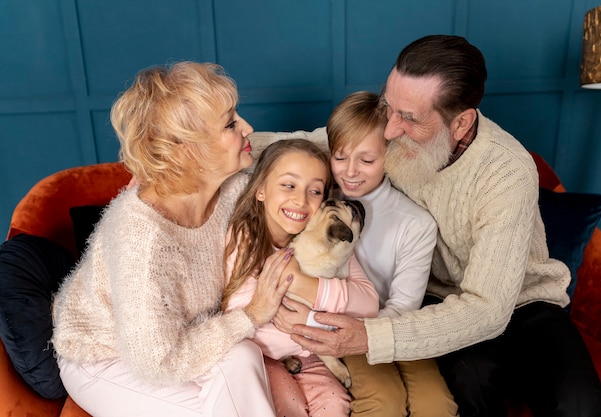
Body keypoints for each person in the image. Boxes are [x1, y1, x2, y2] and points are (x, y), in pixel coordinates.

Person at [277, 35, 601, 416]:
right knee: (471, 382)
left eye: (409, 118)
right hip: (437, 299)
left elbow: (487, 309)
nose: (389, 130)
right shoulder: (390, 134)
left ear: (461, 123)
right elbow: (308, 142)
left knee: (582, 405)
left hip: (522, 300)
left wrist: (367, 337)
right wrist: (222, 143)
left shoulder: (506, 172)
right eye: (389, 108)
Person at [52, 62, 294, 417]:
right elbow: (158, 361)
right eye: (230, 123)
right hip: (108, 358)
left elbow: (296, 151)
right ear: (186, 151)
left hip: (185, 339)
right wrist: (253, 314)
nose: (249, 128)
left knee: (243, 358)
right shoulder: (144, 239)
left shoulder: (232, 184)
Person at [322, 90, 457, 417]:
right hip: (342, 326)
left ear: (392, 154)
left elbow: (404, 307)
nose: (350, 171)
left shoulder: (415, 223)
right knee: (383, 402)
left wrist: (367, 337)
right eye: (340, 157)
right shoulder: (318, 206)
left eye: (367, 160)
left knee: (437, 406)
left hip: (398, 328)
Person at [222, 138, 379, 417]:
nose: (301, 200)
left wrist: (306, 308)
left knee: (335, 405)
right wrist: (310, 331)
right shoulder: (244, 238)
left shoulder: (324, 235)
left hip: (310, 350)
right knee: (289, 405)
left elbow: (368, 303)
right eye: (288, 185)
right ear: (260, 190)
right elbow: (243, 315)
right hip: (263, 354)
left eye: (315, 190)